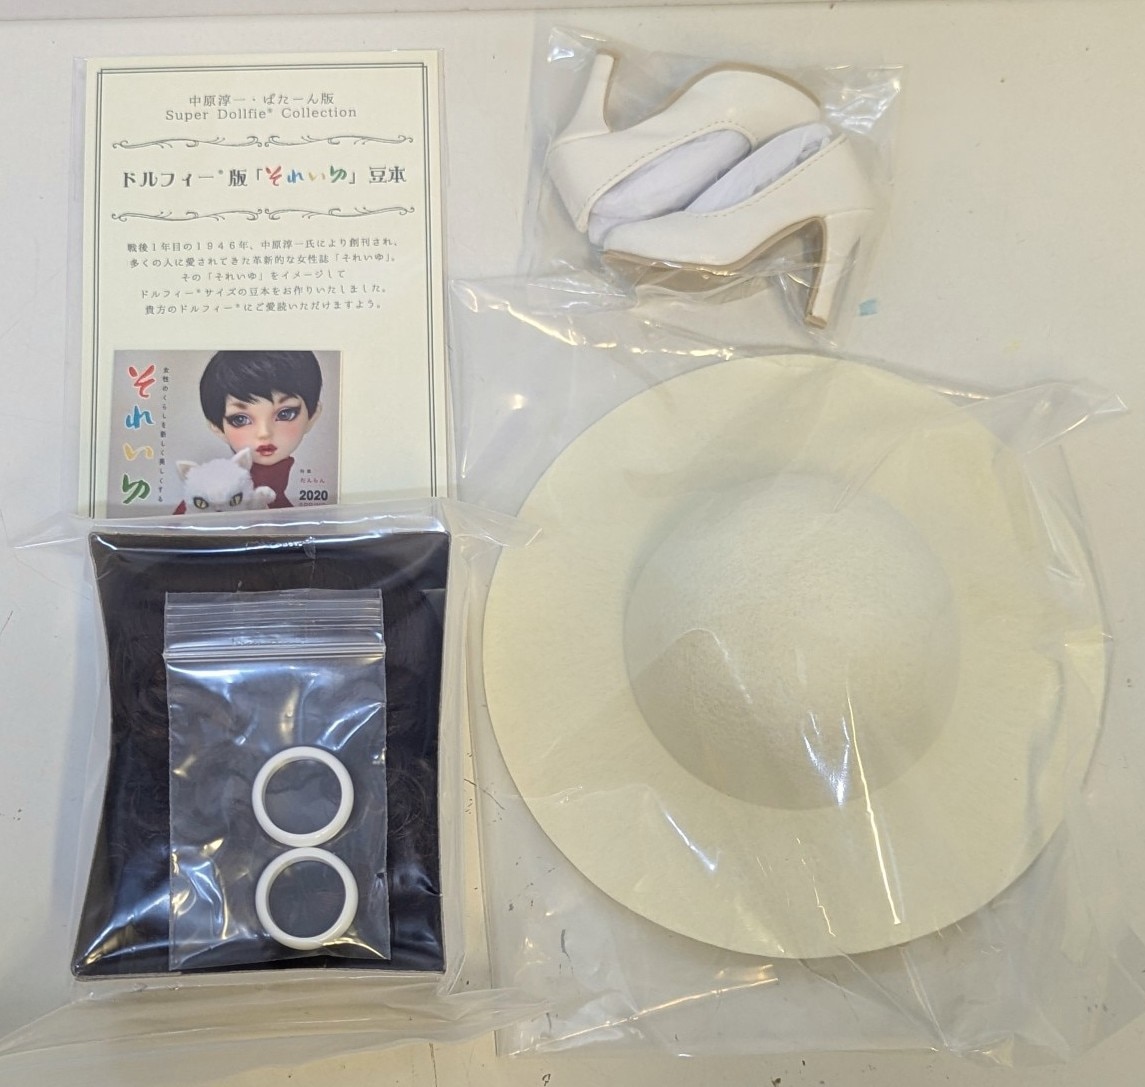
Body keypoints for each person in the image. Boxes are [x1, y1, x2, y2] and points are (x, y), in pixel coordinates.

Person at [174, 349, 323, 512]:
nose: (264, 433)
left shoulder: (280, 498)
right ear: (217, 428)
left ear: (312, 416)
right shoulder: (205, 495)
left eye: (285, 414)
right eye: (240, 419)